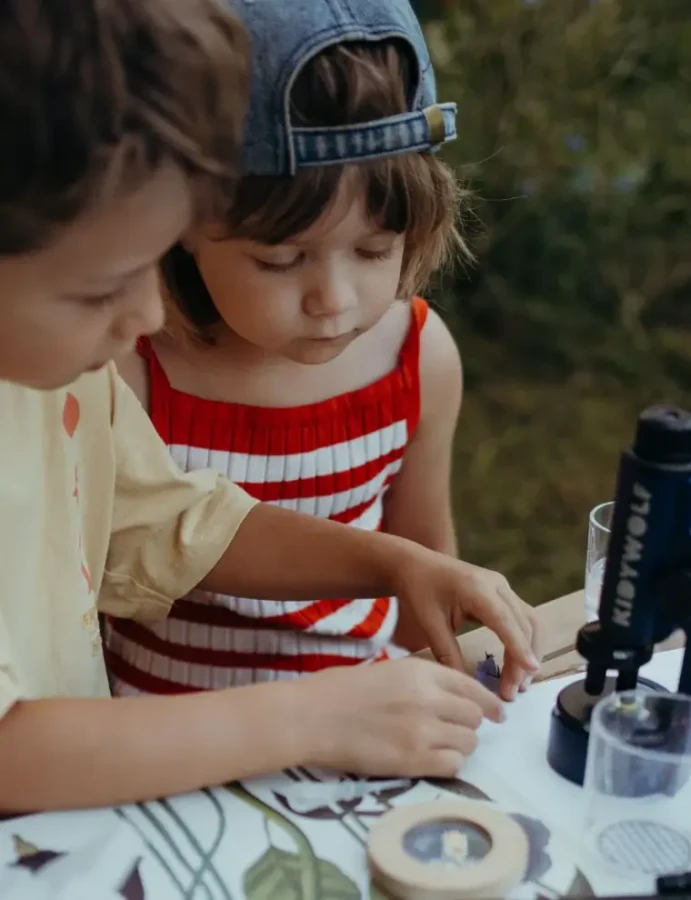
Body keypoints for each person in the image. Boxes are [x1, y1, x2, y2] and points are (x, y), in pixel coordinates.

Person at [0, 0, 541, 814]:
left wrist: (397, 565)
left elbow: (171, 522)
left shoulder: (58, 374)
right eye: (102, 289)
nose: (147, 313)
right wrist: (316, 717)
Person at [104, 0, 486, 692]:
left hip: (362, 725)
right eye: (280, 261)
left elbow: (425, 569)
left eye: (374, 250)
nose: (332, 300)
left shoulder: (418, 357)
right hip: (162, 738)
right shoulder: (130, 366)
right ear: (184, 218)